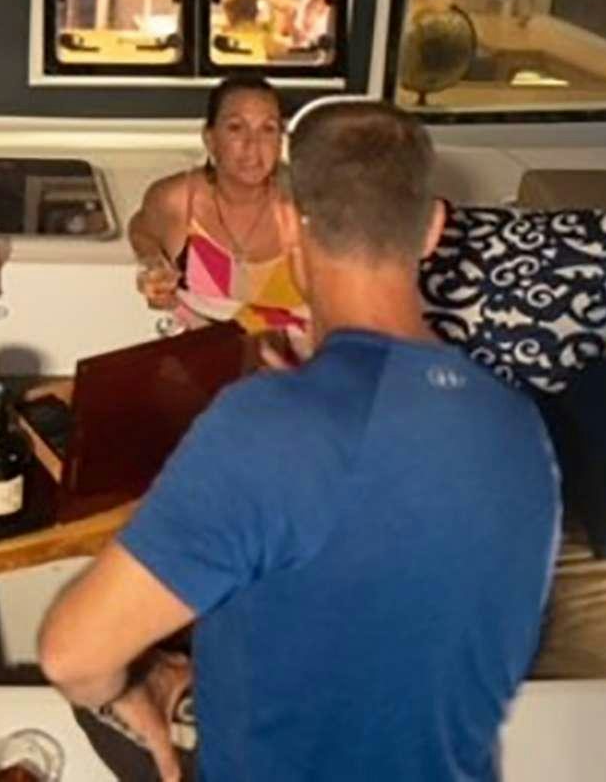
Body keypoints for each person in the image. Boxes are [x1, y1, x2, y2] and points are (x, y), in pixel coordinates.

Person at [39, 101, 560, 782]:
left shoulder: (263, 428)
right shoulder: (519, 424)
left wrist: (127, 686)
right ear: (432, 227)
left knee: (97, 688)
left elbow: (71, 655)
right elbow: (397, 591)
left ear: (288, 221)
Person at [126, 76, 310, 348]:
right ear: (210, 139)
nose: (253, 144)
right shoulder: (177, 200)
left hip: (293, 373)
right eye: (236, 128)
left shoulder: (306, 207)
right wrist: (152, 263)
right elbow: (140, 227)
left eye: (268, 129)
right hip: (203, 367)